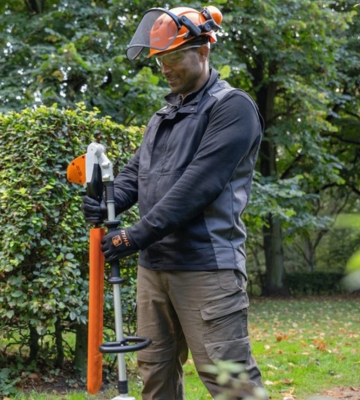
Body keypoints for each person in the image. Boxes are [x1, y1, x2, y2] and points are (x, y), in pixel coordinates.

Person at [82, 5, 268, 400]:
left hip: (206, 266)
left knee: (230, 381)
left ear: (203, 51)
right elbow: (136, 173)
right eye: (159, 59)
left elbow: (197, 186)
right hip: (154, 268)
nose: (164, 68)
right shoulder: (164, 115)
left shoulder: (232, 108)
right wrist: (107, 202)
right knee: (156, 375)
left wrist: (132, 237)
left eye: (173, 57)